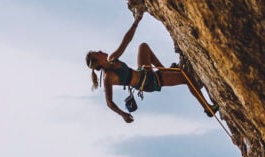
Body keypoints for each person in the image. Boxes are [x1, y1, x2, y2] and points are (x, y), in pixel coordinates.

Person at [85, 13, 219, 123]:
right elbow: (109, 102)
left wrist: (136, 21)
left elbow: (126, 41)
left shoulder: (113, 58)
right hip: (148, 82)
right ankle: (208, 108)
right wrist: (123, 114)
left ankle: (165, 70)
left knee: (143, 47)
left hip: (144, 72)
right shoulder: (109, 77)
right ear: (98, 62)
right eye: (98, 53)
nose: (101, 51)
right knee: (186, 77)